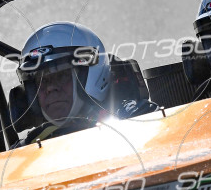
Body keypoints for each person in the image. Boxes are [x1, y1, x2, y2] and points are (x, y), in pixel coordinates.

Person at [12, 21, 155, 146]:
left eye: (61, 75)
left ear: (89, 76)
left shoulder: (137, 119)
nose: (50, 88)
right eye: (41, 81)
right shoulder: (28, 146)